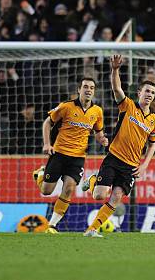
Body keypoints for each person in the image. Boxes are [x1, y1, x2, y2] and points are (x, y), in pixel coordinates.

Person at [81, 55, 155, 237]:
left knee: (116, 199)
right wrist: (115, 70)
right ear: (139, 92)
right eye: (147, 91)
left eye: (152, 93)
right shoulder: (128, 106)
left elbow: (152, 146)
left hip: (131, 166)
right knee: (99, 196)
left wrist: (145, 165)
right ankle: (93, 180)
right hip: (114, 158)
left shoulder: (154, 121)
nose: (149, 95)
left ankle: (91, 230)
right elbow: (117, 88)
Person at [32, 78, 108, 233]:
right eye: (85, 87)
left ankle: (52, 225)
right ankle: (40, 174)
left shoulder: (97, 111)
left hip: (78, 157)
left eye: (92, 88)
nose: (88, 90)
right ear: (79, 89)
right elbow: (47, 122)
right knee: (46, 191)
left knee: (69, 188)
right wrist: (47, 144)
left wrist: (103, 140)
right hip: (59, 153)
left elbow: (98, 133)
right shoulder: (66, 106)